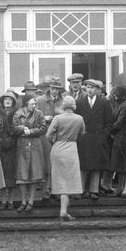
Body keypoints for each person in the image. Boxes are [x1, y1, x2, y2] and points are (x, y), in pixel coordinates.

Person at [45, 94, 85, 223]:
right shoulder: (79, 118)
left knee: (60, 178)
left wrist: (54, 142)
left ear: (63, 105)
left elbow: (48, 135)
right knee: (69, 180)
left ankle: (63, 210)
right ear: (74, 106)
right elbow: (82, 132)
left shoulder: (57, 118)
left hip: (58, 148)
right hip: (71, 148)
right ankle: (63, 210)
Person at [76, 78, 114, 199]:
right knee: (83, 165)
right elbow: (77, 121)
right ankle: (82, 190)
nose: (89, 90)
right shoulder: (80, 103)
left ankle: (93, 190)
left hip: (98, 138)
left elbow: (109, 122)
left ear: (97, 90)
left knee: (96, 165)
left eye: (92, 88)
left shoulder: (104, 103)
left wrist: (103, 136)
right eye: (87, 87)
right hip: (85, 138)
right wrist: (80, 136)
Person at [12, 93, 47, 212]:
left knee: (34, 174)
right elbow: (14, 127)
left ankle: (31, 201)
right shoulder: (18, 113)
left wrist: (31, 131)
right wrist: (22, 128)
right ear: (26, 104)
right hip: (22, 145)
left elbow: (43, 128)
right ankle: (23, 201)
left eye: (35, 103)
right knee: (22, 176)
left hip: (35, 145)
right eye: (32, 103)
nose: (34, 105)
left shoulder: (39, 113)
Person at [36, 77, 65, 201]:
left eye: (57, 89)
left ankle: (55, 189)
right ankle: (46, 189)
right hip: (45, 134)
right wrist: (44, 117)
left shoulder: (63, 101)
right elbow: (34, 117)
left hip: (59, 135)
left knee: (58, 162)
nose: (54, 91)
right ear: (49, 88)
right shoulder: (40, 100)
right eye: (53, 88)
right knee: (46, 162)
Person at [108, 85, 126, 197]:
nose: (115, 95)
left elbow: (120, 122)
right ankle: (122, 188)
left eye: (117, 93)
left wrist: (110, 131)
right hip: (119, 137)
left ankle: (123, 188)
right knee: (119, 164)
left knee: (122, 163)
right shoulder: (120, 104)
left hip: (124, 137)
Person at [0, 91, 20, 210]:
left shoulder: (17, 113)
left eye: (10, 99)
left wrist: (12, 139)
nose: (7, 101)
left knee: (12, 174)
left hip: (14, 146)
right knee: (2, 174)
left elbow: (18, 128)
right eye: (5, 99)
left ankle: (11, 200)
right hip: (1, 146)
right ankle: (3, 200)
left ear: (13, 102)